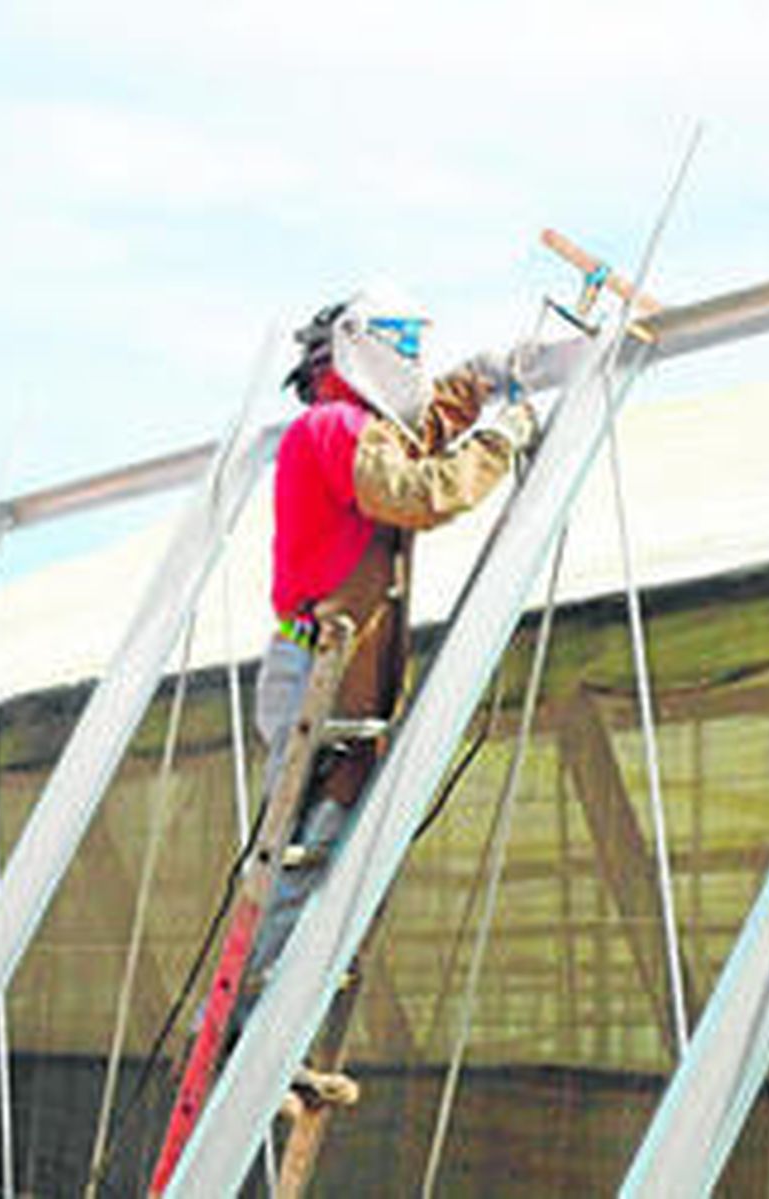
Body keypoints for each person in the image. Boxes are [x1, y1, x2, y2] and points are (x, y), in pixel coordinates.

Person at [244, 285, 539, 1027]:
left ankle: (282, 1027)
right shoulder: (332, 427)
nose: (412, 366)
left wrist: (478, 382)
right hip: (321, 673)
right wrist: (502, 438)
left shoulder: (350, 426)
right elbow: (416, 488)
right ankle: (255, 1029)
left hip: (337, 675)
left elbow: (417, 432)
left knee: (332, 843)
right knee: (306, 849)